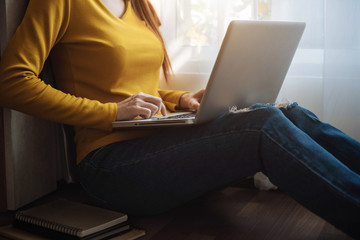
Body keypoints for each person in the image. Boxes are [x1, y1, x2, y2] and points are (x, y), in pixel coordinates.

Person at [0, 0, 359, 238]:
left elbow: (137, 87)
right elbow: (12, 82)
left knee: (285, 111)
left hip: (152, 144)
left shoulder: (138, 5)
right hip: (110, 165)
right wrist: (110, 113)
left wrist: (179, 98)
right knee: (261, 124)